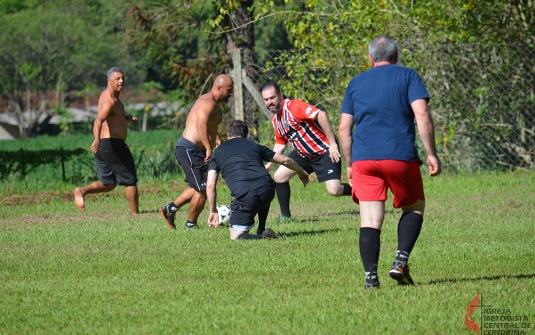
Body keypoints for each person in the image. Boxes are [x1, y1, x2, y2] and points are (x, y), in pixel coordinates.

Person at [338, 35, 442, 289]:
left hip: (364, 160)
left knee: (370, 220)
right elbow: (421, 113)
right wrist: (431, 153)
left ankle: (370, 279)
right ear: (396, 56)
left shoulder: (355, 82)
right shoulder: (408, 76)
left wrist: (350, 164)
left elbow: (343, 128)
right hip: (399, 156)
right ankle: (400, 261)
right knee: (414, 207)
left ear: (370, 59)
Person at [261, 81, 352, 219]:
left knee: (335, 190)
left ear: (280, 95)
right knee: (279, 176)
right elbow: (280, 143)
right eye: (266, 100)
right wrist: (270, 164)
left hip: (324, 152)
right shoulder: (276, 119)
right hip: (302, 155)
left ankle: (364, 190)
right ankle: (285, 217)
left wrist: (332, 144)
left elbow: (321, 115)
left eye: (272, 98)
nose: (270, 102)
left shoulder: (294, 107)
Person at [206, 120, 310, 240]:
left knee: (236, 237)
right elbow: (285, 160)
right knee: (262, 187)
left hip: (245, 195)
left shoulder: (218, 153)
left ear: (229, 135)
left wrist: (213, 211)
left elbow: (210, 185)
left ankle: (265, 237)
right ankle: (261, 229)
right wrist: (301, 172)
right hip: (268, 189)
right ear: (246, 135)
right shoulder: (255, 146)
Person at [159, 74, 233, 229]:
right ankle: (190, 225)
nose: (230, 93)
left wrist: (217, 139)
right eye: (229, 90)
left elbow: (209, 125)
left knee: (199, 185)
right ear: (218, 87)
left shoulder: (212, 103)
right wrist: (208, 147)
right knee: (203, 188)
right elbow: (200, 124)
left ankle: (170, 209)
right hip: (189, 149)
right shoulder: (208, 103)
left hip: (194, 150)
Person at [74, 67, 139, 214]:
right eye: (117, 79)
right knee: (130, 180)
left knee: (109, 184)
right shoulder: (109, 101)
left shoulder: (111, 98)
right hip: (112, 144)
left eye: (122, 78)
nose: (121, 81)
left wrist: (126, 117)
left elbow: (111, 117)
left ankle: (82, 191)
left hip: (105, 146)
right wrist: (96, 139)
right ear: (109, 81)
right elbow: (98, 121)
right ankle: (136, 214)